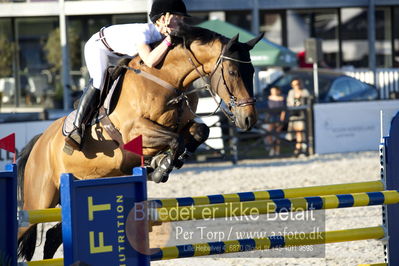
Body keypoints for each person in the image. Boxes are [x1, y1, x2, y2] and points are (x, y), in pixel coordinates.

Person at [65, 0, 190, 151]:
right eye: (177, 18)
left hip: (120, 54)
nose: (181, 23)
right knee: (99, 81)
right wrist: (170, 39)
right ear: (163, 19)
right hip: (99, 47)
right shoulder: (143, 32)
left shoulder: (160, 36)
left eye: (182, 20)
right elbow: (150, 61)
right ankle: (76, 129)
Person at [286, 78, 310, 156]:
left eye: (298, 84)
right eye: (294, 85)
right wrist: (297, 99)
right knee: (298, 133)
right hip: (294, 115)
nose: (297, 86)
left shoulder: (305, 92)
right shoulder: (291, 92)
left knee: (302, 132)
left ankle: (299, 148)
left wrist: (299, 97)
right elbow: (291, 103)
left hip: (303, 115)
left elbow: (308, 103)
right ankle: (299, 148)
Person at [264, 86, 286, 156]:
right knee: (269, 134)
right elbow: (268, 109)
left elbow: (283, 111)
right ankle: (272, 149)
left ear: (278, 91)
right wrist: (266, 118)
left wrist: (282, 120)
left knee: (277, 135)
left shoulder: (282, 98)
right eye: (272, 91)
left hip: (278, 117)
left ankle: (277, 150)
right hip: (271, 117)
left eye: (274, 90)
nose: (273, 92)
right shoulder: (269, 98)